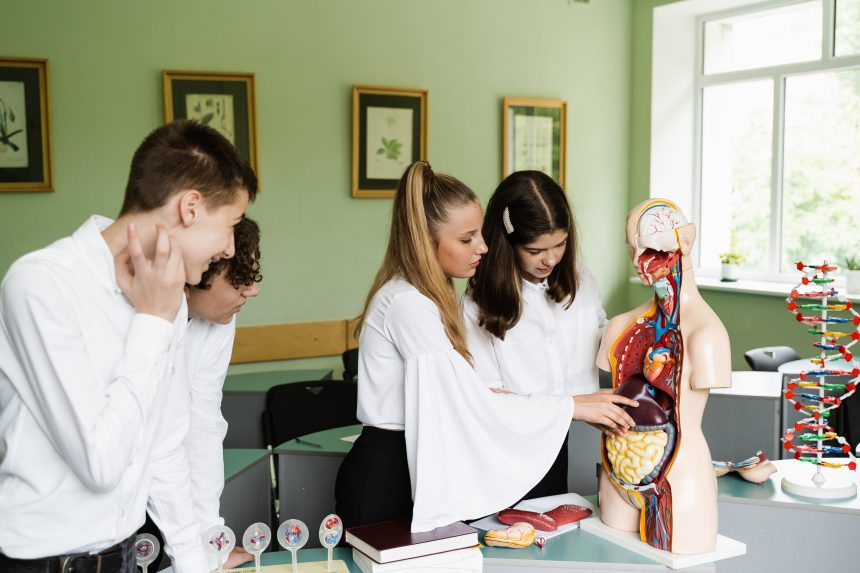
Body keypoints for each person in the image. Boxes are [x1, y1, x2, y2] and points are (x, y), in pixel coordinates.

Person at [0, 120, 256, 573]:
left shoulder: (169, 297)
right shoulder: (40, 284)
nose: (230, 249)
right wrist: (152, 321)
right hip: (37, 562)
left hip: (123, 556)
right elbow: (100, 464)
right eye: (230, 224)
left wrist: (194, 562)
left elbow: (166, 446)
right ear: (190, 207)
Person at [334, 161, 636, 532]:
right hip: (389, 470)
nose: (483, 246)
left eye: (479, 234)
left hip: (415, 460)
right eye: (467, 239)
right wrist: (570, 405)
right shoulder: (407, 303)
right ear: (425, 241)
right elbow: (465, 400)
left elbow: (469, 396)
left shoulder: (427, 299)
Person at [462, 170, 611, 499]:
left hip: (561, 441)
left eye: (560, 244)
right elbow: (487, 398)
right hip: (507, 451)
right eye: (535, 250)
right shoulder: (479, 305)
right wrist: (569, 406)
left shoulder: (579, 278)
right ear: (508, 242)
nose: (551, 258)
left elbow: (601, 339)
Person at [139, 216, 263, 570]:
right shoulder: (149, 322)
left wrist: (213, 541)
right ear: (192, 277)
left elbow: (203, 422)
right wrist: (194, 556)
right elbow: (162, 443)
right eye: (239, 277)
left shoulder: (221, 317)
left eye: (253, 274)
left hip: (163, 486)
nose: (251, 289)